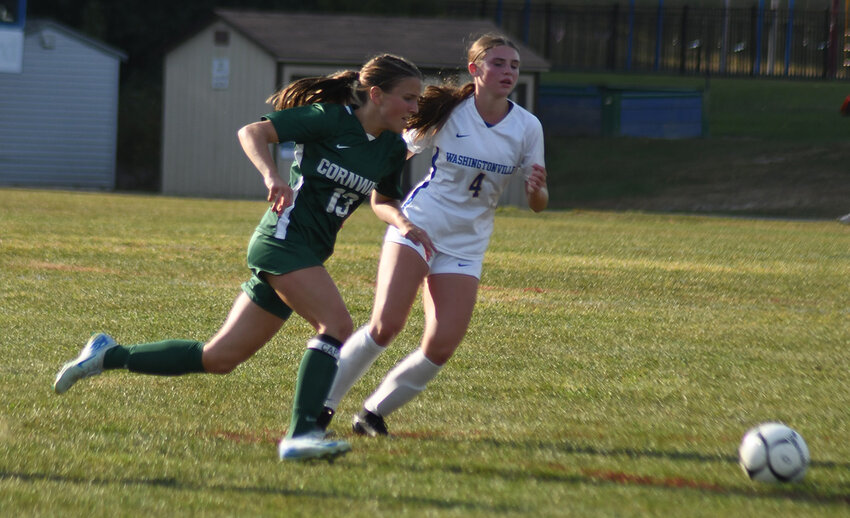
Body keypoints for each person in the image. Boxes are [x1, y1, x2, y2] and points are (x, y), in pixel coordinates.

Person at [52, 54, 427, 460]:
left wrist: (403, 223)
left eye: (417, 100)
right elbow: (252, 132)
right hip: (281, 240)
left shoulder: (391, 148)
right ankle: (302, 434)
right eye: (408, 98)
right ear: (376, 94)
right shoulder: (330, 118)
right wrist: (272, 177)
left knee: (219, 358)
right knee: (336, 324)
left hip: (307, 252)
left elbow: (384, 199)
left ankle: (107, 354)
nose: (414, 108)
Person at [319, 34, 549, 436]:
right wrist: (351, 176)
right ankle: (319, 406)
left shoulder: (528, 127)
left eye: (514, 65)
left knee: (441, 345)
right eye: (498, 63)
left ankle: (372, 412)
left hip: (466, 244)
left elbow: (539, 202)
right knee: (385, 327)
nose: (508, 72)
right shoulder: (449, 111)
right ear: (475, 70)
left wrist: (536, 191)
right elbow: (394, 151)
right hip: (418, 226)